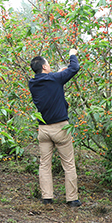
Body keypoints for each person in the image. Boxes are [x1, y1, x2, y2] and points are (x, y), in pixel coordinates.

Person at [28, 49, 81, 207]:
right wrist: (72, 54)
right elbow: (74, 68)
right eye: (48, 63)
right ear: (44, 67)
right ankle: (72, 199)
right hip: (60, 128)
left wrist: (58, 73)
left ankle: (47, 197)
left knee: (44, 164)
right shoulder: (55, 79)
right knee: (68, 164)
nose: (49, 65)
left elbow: (49, 82)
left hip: (43, 130)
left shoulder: (33, 83)